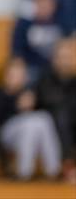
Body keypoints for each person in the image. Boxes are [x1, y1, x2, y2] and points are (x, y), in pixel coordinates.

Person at [0, 57, 61, 179]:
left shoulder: (28, 92)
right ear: (6, 75)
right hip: (6, 133)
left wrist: (31, 105)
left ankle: (53, 170)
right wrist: (17, 106)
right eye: (14, 74)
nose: (18, 77)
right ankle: (25, 172)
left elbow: (41, 111)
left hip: (29, 134)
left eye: (21, 74)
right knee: (31, 122)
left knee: (43, 118)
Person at [36, 39, 76, 183]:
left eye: (68, 57)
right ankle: (68, 163)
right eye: (62, 57)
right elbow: (48, 101)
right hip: (51, 121)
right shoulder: (45, 78)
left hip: (71, 119)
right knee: (62, 115)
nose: (65, 61)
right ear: (55, 59)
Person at [11, 0, 69, 82]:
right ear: (35, 3)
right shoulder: (24, 25)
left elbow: (69, 46)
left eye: (47, 1)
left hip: (58, 67)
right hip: (32, 68)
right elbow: (17, 53)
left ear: (53, 4)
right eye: (40, 1)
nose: (43, 5)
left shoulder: (62, 23)